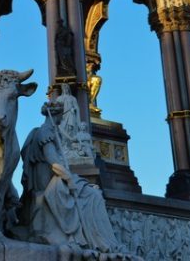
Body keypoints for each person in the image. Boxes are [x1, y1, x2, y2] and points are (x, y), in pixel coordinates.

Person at [18, 102, 118, 252]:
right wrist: (70, 179)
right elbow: (55, 163)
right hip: (53, 183)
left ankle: (100, 241)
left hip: (57, 180)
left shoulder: (52, 131)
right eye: (61, 116)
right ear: (57, 115)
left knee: (93, 193)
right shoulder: (45, 133)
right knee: (93, 196)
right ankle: (94, 240)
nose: (63, 120)